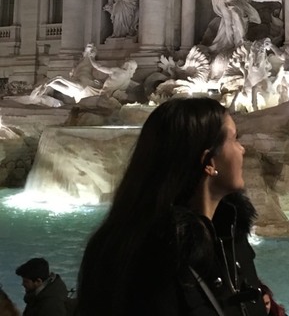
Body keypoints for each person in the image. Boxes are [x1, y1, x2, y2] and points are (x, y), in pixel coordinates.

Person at [77, 97, 267, 316]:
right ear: (209, 162)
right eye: (235, 139)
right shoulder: (148, 258)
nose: (242, 149)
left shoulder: (232, 232)